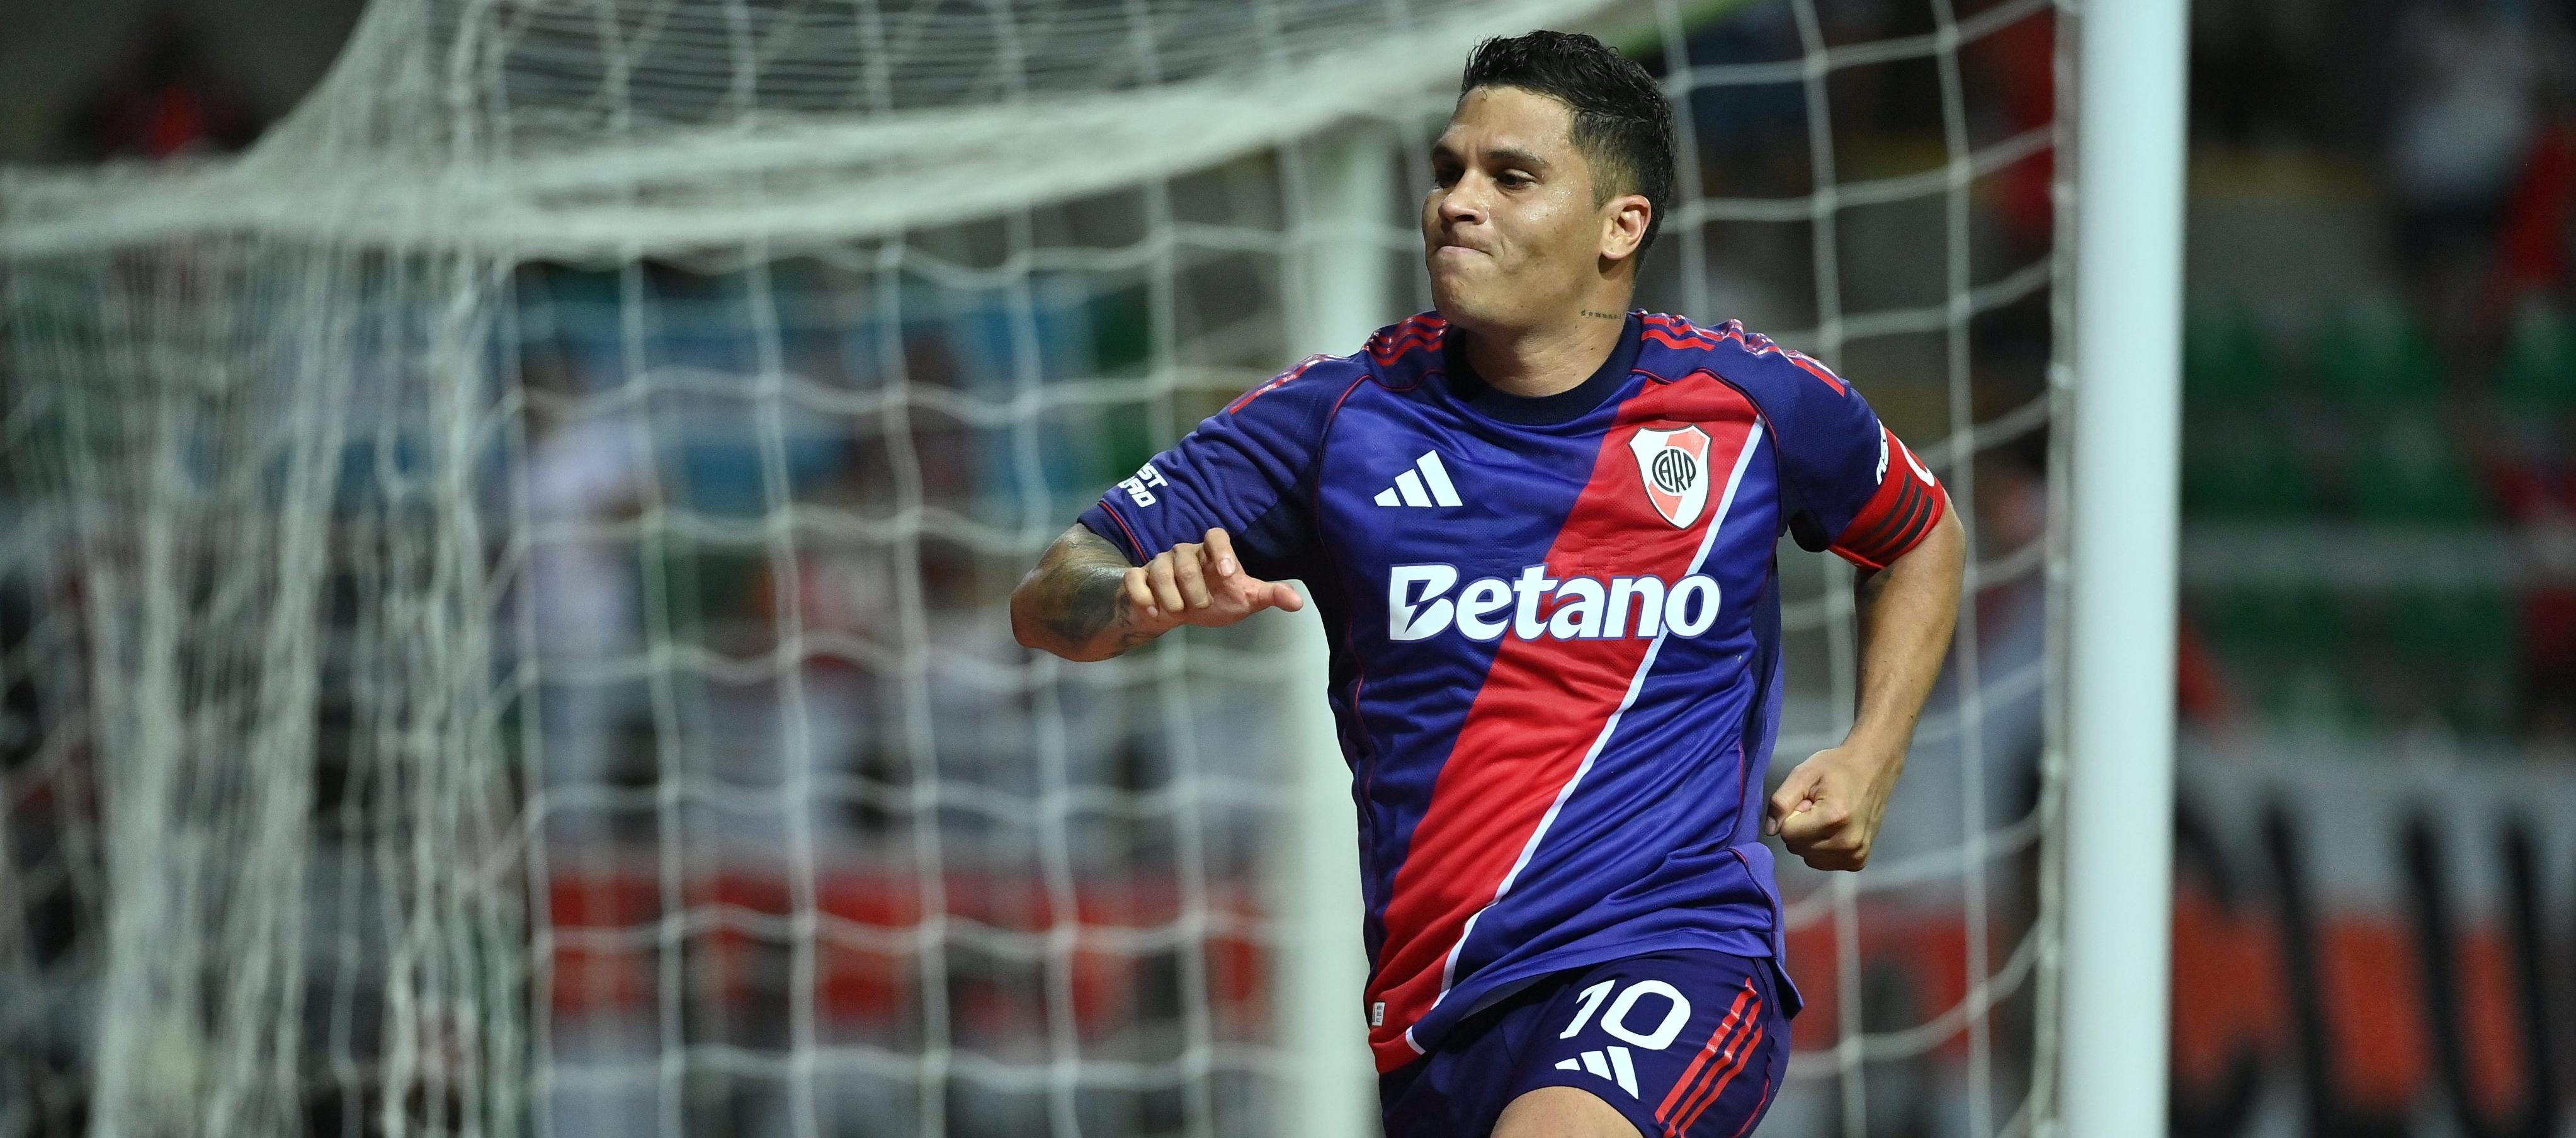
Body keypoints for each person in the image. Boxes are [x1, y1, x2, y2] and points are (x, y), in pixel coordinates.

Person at [1011, 31, 1962, 1138]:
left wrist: (1873, 749)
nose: (1459, 202)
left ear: (1622, 227)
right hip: (1438, 1010)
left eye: (1511, 178)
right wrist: (1123, 604)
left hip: (1673, 950)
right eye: (1448, 170)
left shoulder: (1749, 405)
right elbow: (1052, 589)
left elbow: (1917, 533)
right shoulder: (1337, 417)